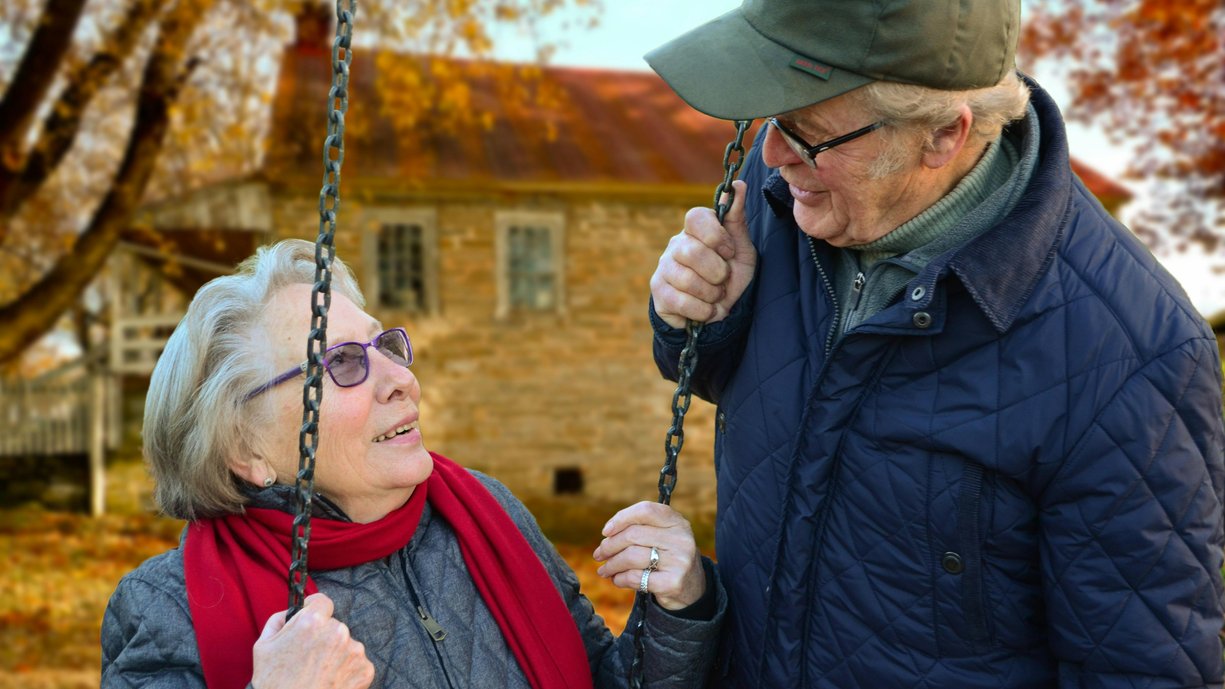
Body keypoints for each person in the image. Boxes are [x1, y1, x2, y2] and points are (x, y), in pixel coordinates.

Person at [644, 1, 1225, 687]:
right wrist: (696, 318)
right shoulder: (783, 197)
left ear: (943, 136)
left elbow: (1141, 667)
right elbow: (745, 388)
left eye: (807, 133)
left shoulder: (1131, 353)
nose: (772, 156)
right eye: (772, 118)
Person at [101, 239, 724, 689]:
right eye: (342, 363)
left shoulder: (485, 513)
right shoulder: (168, 607)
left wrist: (679, 607)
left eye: (386, 345)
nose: (400, 378)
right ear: (246, 450)